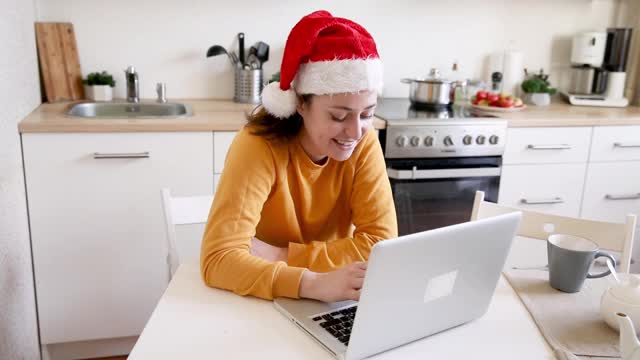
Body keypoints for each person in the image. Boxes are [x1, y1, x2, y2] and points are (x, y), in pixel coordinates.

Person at [200, 10, 397, 303]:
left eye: (367, 113)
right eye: (339, 115)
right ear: (300, 103)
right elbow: (219, 258)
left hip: (336, 296)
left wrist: (284, 255)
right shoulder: (258, 146)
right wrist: (312, 283)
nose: (355, 131)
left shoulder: (364, 142)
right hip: (262, 298)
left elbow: (381, 246)